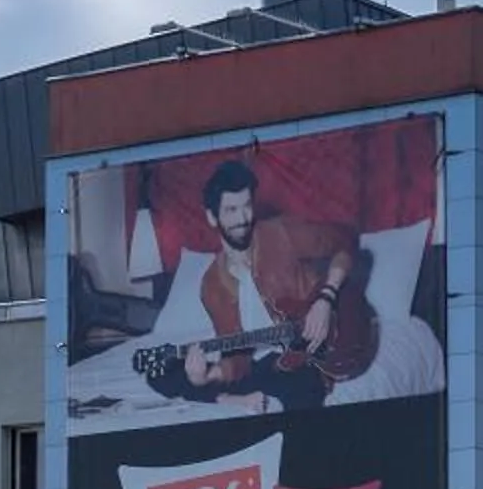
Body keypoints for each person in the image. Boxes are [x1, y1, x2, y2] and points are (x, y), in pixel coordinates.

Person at [146, 158, 378, 413]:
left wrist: (325, 299)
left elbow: (345, 241)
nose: (243, 218)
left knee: (302, 387)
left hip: (306, 357)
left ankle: (229, 399)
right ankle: (230, 399)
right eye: (231, 210)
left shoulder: (281, 233)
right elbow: (237, 361)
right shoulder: (212, 284)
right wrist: (205, 376)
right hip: (262, 369)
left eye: (246, 206)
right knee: (163, 375)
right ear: (212, 217)